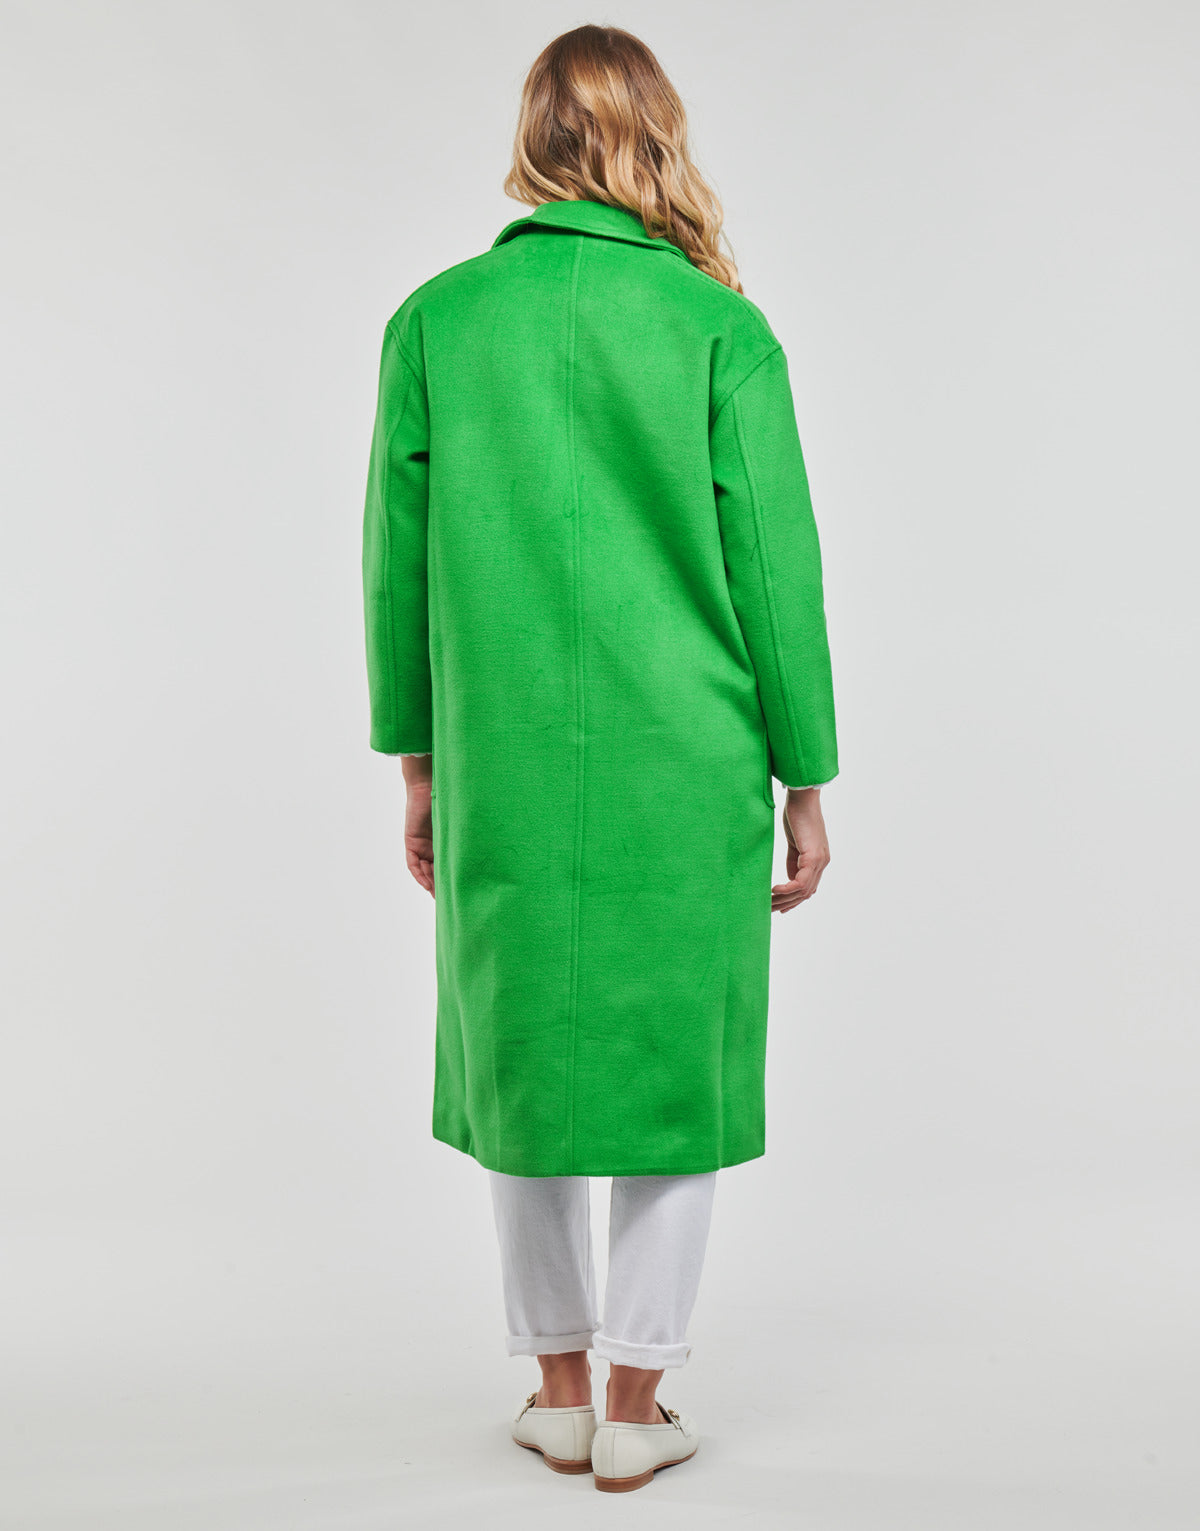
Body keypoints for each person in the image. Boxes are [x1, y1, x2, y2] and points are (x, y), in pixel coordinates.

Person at [361, 23, 837, 1493]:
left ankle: (558, 1392)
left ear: (536, 140)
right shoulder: (718, 329)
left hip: (501, 749)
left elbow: (396, 569)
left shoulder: (436, 323)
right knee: (671, 1069)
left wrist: (418, 762)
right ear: (656, 137)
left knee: (523, 1062)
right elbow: (778, 574)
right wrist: (806, 775)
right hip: (688, 757)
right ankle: (638, 1404)